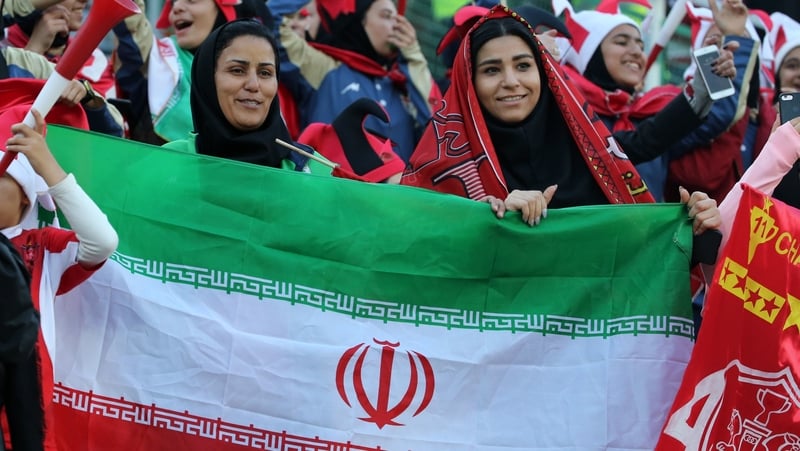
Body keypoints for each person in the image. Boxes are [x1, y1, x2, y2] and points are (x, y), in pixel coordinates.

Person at [401, 5, 721, 237]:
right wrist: (484, 219)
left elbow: (643, 257)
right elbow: (413, 243)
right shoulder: (443, 162)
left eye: (524, 66)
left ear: (545, 73)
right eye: (491, 70)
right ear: (467, 82)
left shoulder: (588, 149)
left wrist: (692, 226)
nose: (511, 81)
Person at [0, 104, 118, 450]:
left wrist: (45, 165)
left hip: (17, 415)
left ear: (25, 193)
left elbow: (102, 241)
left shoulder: (40, 248)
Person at [553, 0, 737, 202]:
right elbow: (640, 142)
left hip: (651, 234)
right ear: (590, 55)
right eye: (621, 42)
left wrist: (713, 75)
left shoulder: (646, 112)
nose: (636, 52)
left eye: (641, 45)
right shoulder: (562, 113)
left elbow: (718, 116)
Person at [162, 19, 329, 173]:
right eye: (237, 70)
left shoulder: (312, 171)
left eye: (265, 73)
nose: (253, 85)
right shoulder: (168, 164)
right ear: (207, 79)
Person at [112, 0, 269, 144]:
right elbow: (131, 21)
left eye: (191, 0)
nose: (177, 7)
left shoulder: (257, 77)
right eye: (173, 2)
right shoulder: (155, 59)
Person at [302, 0, 441, 162]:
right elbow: (277, 27)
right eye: (386, 16)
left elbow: (438, 125)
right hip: (332, 186)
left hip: (396, 186)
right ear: (360, 21)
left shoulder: (402, 82)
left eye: (399, 19)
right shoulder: (324, 67)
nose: (397, 26)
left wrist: (414, 55)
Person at [664, 0, 762, 203]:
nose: (728, 55)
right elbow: (721, 114)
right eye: (718, 42)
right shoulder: (665, 99)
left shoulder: (762, 120)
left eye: (736, 43)